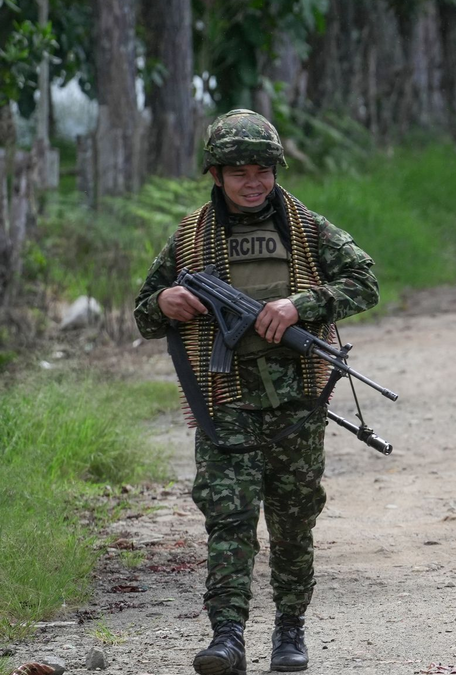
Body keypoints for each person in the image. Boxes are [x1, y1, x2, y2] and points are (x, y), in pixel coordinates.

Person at [134, 109, 380, 673]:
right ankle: (227, 637)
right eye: (239, 171)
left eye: (263, 169)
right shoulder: (190, 237)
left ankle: (290, 633)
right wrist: (165, 302)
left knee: (294, 520)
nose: (254, 182)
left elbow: (363, 281)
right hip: (225, 400)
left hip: (297, 399)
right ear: (215, 175)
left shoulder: (307, 229)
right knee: (230, 518)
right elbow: (146, 314)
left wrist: (302, 305)